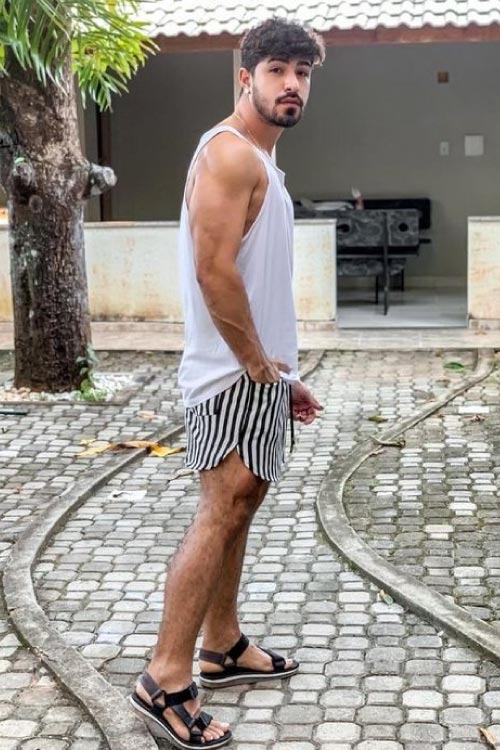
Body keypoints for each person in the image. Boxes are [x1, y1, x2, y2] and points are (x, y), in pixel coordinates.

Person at [129, 17, 325, 749]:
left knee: (241, 506)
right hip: (227, 373)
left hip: (255, 370)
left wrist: (282, 375)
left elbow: (257, 279)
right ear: (246, 77)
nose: (292, 84)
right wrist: (254, 367)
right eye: (277, 70)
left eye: (303, 73)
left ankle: (223, 644)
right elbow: (214, 273)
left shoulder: (262, 160)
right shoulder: (229, 154)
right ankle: (165, 678)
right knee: (220, 511)